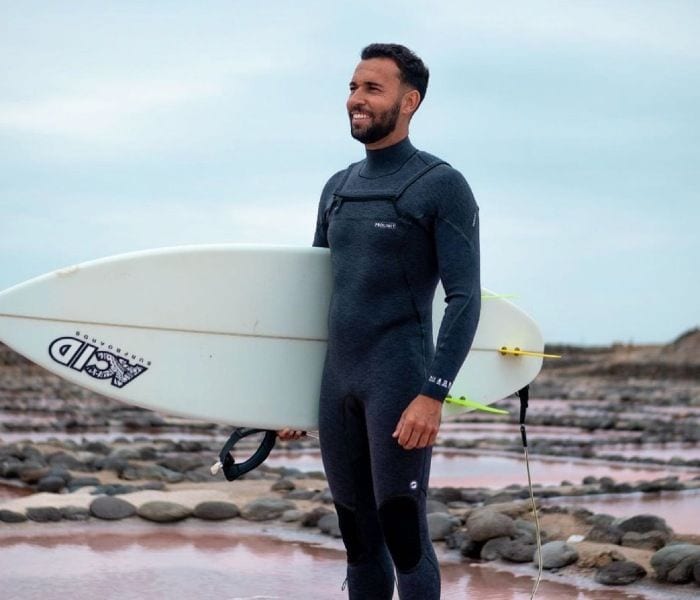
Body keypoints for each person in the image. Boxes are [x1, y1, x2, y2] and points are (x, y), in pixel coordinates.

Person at [282, 43, 480, 599]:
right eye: (352, 87)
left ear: (409, 101)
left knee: (403, 535)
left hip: (399, 382)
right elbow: (315, 299)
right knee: (357, 540)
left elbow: (464, 298)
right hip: (337, 385)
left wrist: (432, 394)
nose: (355, 100)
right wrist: (286, 399)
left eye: (372, 88)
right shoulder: (338, 187)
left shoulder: (441, 184)